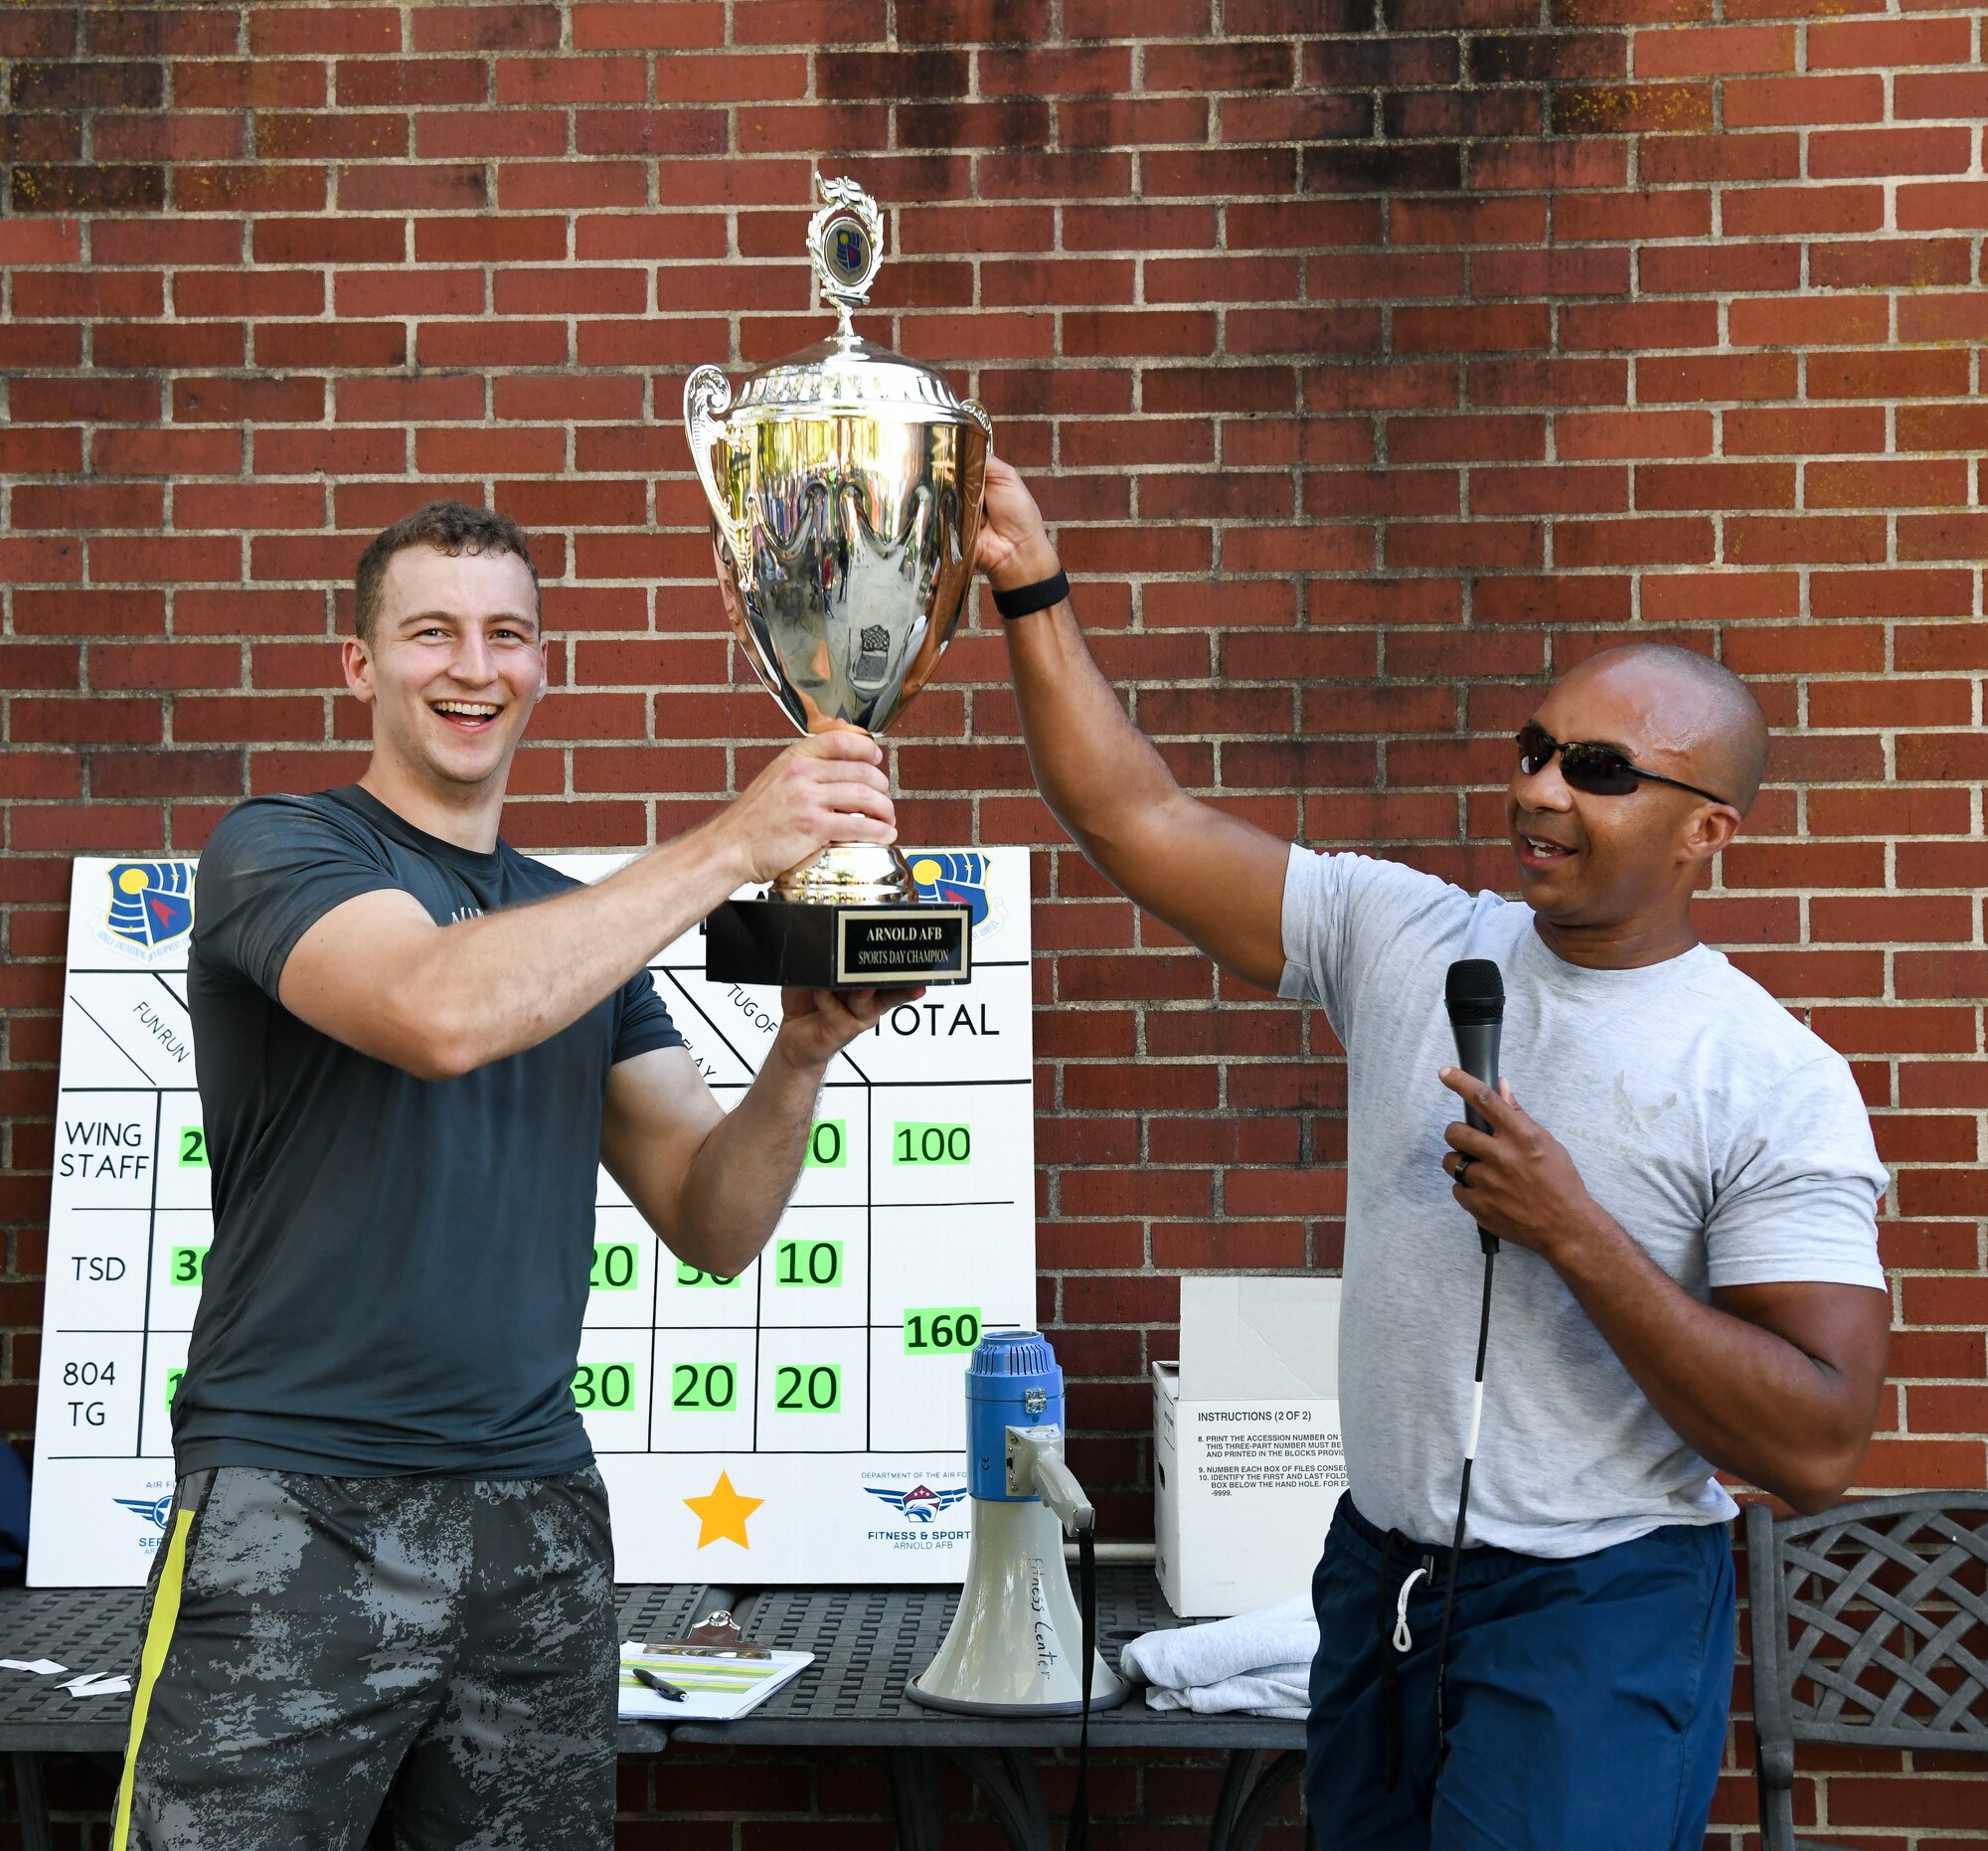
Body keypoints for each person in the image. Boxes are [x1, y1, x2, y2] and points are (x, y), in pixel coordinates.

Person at [973, 457, 1890, 1850]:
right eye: (1535, 747)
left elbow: (1817, 1442)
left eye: (1600, 771)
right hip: (1383, 1584)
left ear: (1709, 831)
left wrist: (1573, 1227)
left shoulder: (1770, 1076)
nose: (1540, 791)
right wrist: (1034, 585)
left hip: (1598, 1610)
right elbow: (1135, 818)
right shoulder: (1407, 932)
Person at [116, 499, 917, 1851]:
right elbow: (437, 1009)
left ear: (544, 664)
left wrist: (798, 1056)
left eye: (506, 634)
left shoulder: (574, 931)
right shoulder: (279, 849)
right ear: (361, 665)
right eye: (430, 632)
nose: (472, 667)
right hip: (296, 1509)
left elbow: (710, 1218)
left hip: (535, 1520)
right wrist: (731, 842)